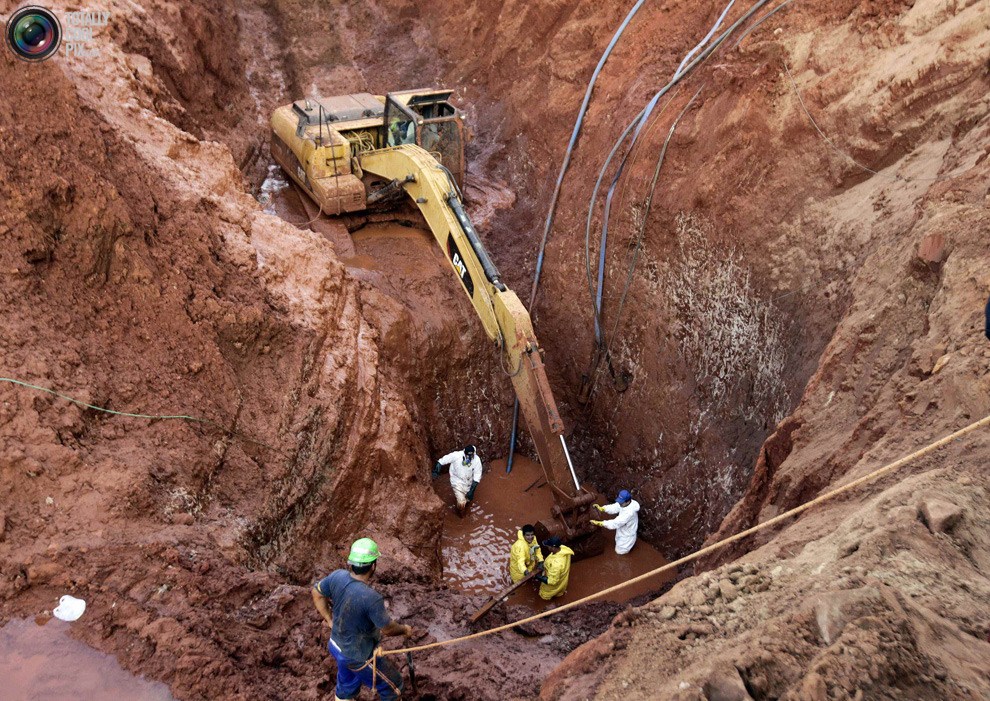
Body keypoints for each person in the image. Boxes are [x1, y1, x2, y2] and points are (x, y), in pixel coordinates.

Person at [312, 538, 412, 701]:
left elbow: (316, 592)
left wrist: (330, 620)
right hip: (358, 657)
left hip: (336, 646)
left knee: (346, 686)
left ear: (350, 563)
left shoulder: (337, 576)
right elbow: (388, 629)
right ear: (373, 566)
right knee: (393, 686)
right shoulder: (371, 598)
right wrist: (405, 630)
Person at [432, 444, 482, 517]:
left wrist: (472, 490)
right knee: (461, 502)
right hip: (457, 481)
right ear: (464, 453)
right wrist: (436, 470)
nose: (470, 458)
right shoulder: (456, 455)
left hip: (468, 482)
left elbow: (477, 475)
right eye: (468, 456)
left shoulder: (477, 460)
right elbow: (442, 460)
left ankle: (464, 503)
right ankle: (461, 515)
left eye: (472, 456)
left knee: (468, 500)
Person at [591, 489, 641, 555]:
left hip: (627, 536)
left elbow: (615, 523)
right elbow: (615, 507)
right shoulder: (625, 503)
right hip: (622, 529)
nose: (619, 503)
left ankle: (628, 550)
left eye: (621, 502)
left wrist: (601, 523)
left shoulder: (629, 513)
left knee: (619, 552)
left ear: (627, 502)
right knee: (617, 542)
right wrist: (603, 508)